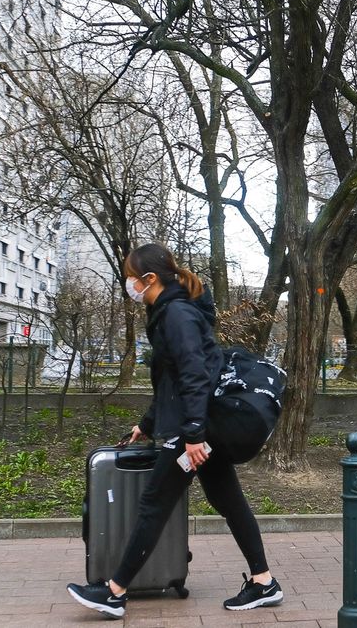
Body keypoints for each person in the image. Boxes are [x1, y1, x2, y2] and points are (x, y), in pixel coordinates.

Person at [66, 243, 282, 619]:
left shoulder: (177, 314)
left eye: (131, 277)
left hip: (198, 427)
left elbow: (195, 375)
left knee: (155, 503)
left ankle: (114, 592)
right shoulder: (171, 310)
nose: (128, 284)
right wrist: (146, 424)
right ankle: (263, 582)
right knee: (228, 501)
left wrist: (195, 435)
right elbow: (172, 379)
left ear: (149, 279)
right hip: (200, 423)